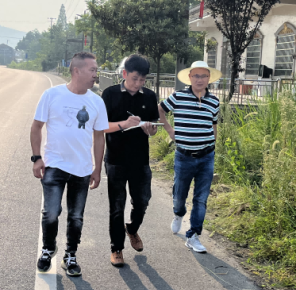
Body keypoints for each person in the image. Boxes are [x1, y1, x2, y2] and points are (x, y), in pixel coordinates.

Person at [30, 52, 109, 277]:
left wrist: (97, 169)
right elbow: (36, 127)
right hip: (54, 164)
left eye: (95, 70)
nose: (95, 75)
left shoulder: (97, 101)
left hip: (82, 169)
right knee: (51, 213)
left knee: (76, 216)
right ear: (77, 71)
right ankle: (48, 249)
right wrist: (37, 158)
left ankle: (70, 256)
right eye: (92, 70)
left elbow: (99, 137)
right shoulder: (52, 95)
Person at [101, 54, 159, 267]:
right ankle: (116, 248)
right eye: (135, 78)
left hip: (140, 160)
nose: (138, 83)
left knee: (142, 201)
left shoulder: (149, 96)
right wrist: (124, 124)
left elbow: (154, 127)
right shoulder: (110, 94)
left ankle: (132, 229)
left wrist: (150, 130)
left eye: (142, 80)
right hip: (116, 159)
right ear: (124, 74)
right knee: (117, 206)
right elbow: (101, 126)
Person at [158, 60, 221, 254]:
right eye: (196, 76)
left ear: (209, 78)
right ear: (190, 77)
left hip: (206, 156)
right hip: (184, 156)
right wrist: (170, 131)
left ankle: (193, 235)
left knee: (201, 199)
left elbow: (214, 124)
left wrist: (213, 143)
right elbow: (160, 109)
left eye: (203, 76)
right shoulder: (178, 97)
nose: (200, 79)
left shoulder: (214, 101)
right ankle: (178, 214)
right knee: (179, 196)